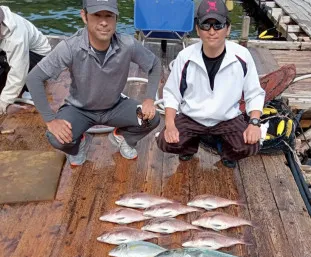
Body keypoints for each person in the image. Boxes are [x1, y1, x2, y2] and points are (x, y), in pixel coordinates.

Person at [27, 0, 161, 166]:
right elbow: (34, 78)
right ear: (84, 16)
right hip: (79, 109)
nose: (104, 22)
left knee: (152, 119)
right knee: (56, 137)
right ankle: (77, 144)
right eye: (97, 15)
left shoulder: (128, 45)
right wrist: (50, 120)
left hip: (115, 106)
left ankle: (123, 137)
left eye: (109, 16)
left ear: (116, 18)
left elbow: (154, 65)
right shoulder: (70, 48)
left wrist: (149, 99)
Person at [157, 0, 265, 168]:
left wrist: (254, 123)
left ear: (228, 28)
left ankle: (227, 151)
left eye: (218, 25)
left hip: (227, 119)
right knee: (166, 142)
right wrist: (170, 125)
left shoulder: (242, 56)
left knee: (251, 145)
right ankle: (189, 147)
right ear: (198, 30)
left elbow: (254, 93)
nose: (212, 31)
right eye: (206, 25)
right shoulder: (185, 57)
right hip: (191, 117)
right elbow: (171, 93)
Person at [0, 6, 51, 115]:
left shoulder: (16, 36)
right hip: (7, 50)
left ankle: (30, 89)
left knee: (22, 73)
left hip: (37, 55)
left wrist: (3, 105)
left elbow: (18, 72)